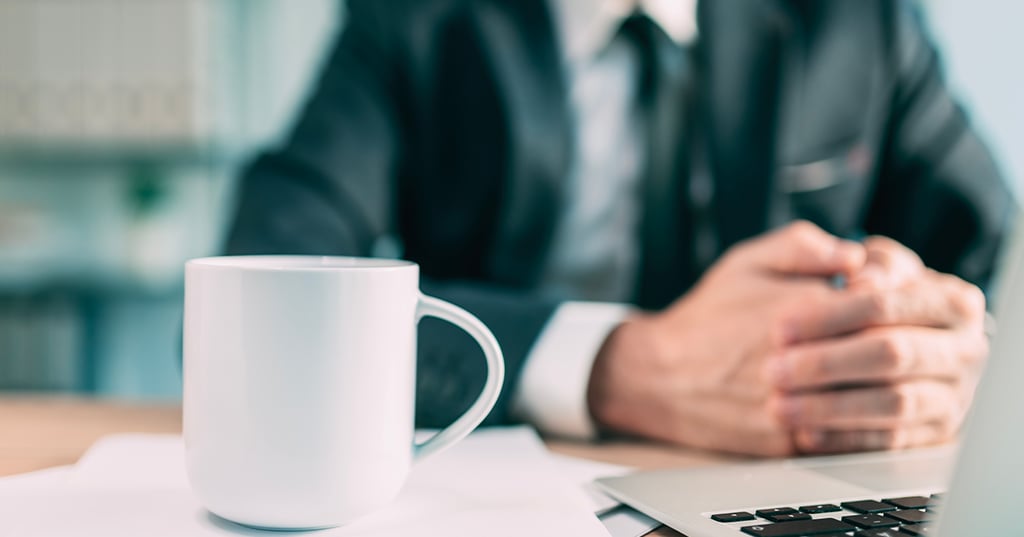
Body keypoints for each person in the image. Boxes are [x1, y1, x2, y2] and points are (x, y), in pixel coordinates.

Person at [224, 0, 1016, 456]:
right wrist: (618, 366)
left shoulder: (857, 19)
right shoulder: (412, 21)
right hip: (503, 480)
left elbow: (1000, 267)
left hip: (785, 468)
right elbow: (251, 299)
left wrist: (934, 352)